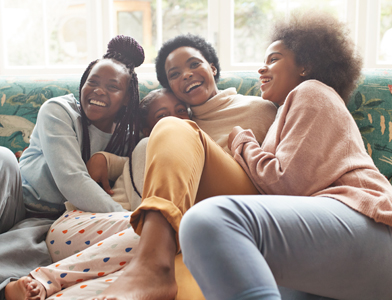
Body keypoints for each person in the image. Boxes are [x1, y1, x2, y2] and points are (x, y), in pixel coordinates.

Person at [178, 12, 392, 300]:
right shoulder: (285, 112)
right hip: (348, 253)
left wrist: (241, 141)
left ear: (305, 65)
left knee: (208, 221)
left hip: (367, 217)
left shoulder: (311, 92)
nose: (261, 69)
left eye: (274, 59)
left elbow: (286, 183)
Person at [79, 34, 277, 300]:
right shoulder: (175, 120)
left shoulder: (260, 109)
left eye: (195, 64)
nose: (186, 74)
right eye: (175, 74)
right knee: (185, 290)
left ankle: (151, 265)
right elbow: (152, 162)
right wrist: (107, 159)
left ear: (213, 68)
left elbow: (282, 167)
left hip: (244, 201)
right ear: (171, 86)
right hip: (193, 226)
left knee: (173, 126)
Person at [0, 35, 144, 300]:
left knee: (37, 253)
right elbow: (72, 180)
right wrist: (131, 219)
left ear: (127, 99)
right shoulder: (58, 110)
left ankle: (10, 288)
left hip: (49, 221)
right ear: (83, 83)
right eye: (93, 82)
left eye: (112, 86)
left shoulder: (126, 136)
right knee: (4, 158)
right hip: (15, 200)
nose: (99, 91)